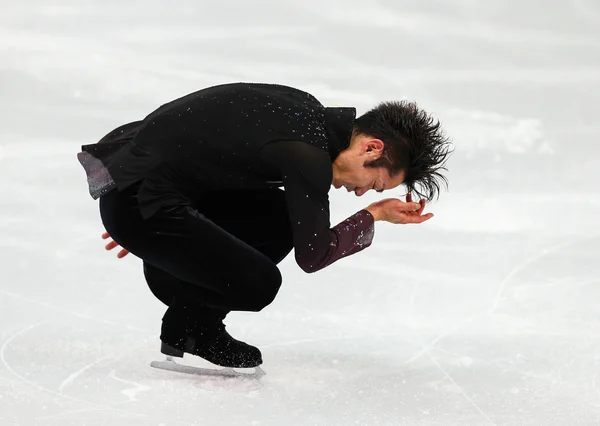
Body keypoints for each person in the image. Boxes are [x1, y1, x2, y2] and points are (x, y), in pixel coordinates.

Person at [77, 82, 452, 369]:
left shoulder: (307, 115)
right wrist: (373, 214)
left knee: (280, 217)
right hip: (141, 196)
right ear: (371, 148)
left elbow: (207, 140)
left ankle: (188, 313)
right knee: (260, 284)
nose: (361, 193)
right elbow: (313, 255)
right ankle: (192, 327)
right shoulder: (306, 153)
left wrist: (148, 201)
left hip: (144, 188)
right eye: (375, 184)